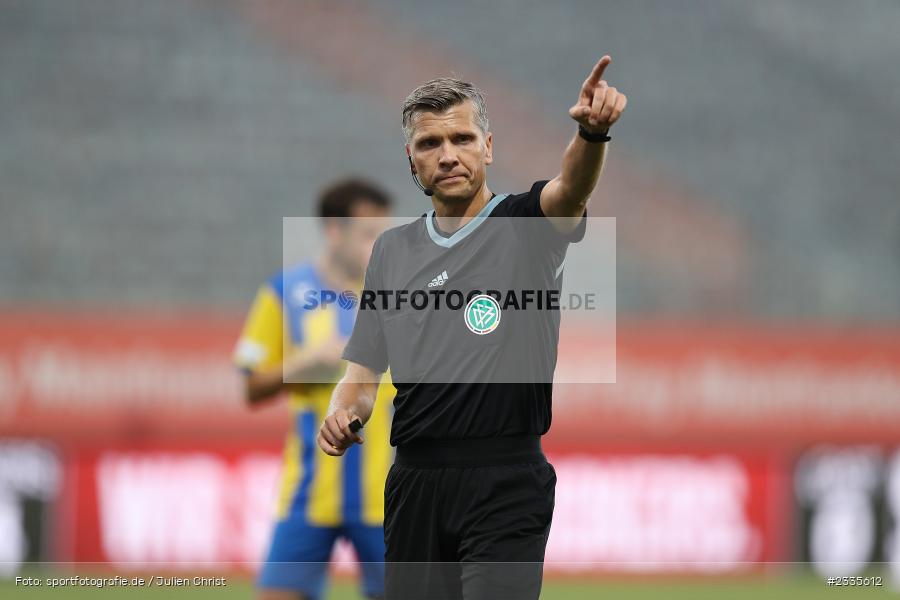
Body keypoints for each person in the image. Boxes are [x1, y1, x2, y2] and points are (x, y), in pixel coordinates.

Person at [318, 56, 627, 599]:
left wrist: (591, 134)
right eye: (429, 145)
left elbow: (570, 191)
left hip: (505, 480)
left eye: (462, 139)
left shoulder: (525, 224)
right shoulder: (391, 250)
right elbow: (364, 368)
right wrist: (344, 410)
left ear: (488, 147)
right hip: (414, 484)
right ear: (410, 161)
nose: (448, 156)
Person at [234, 179, 394, 600]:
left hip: (388, 495)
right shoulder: (283, 293)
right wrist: (309, 360)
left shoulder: (398, 297)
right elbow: (250, 386)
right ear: (334, 231)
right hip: (309, 492)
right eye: (368, 234)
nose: (379, 245)